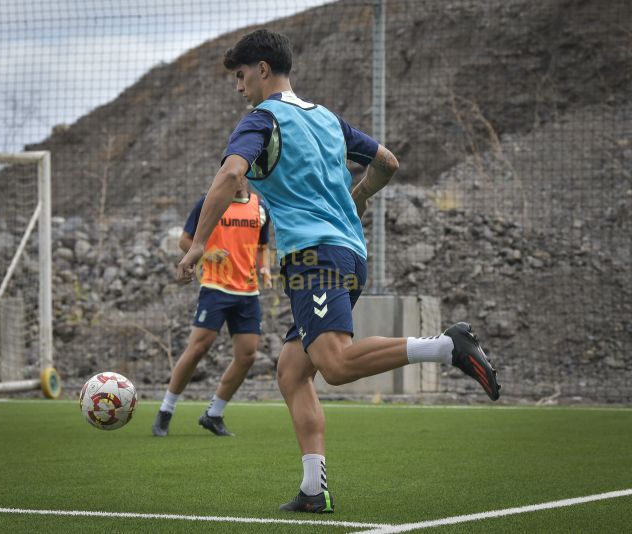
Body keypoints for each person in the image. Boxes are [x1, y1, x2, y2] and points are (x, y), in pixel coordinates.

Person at [176, 29, 500, 512]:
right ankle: (313, 489)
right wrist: (359, 196)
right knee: (291, 371)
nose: (239, 88)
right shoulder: (327, 118)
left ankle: (447, 346)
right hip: (350, 253)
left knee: (336, 364)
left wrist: (198, 244)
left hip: (314, 256)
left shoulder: (261, 120)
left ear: (262, 70)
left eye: (241, 77)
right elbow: (387, 162)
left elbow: (229, 175)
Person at [153, 176, 272, 437]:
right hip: (216, 288)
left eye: (241, 172)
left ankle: (214, 414)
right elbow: (185, 241)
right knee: (198, 348)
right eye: (231, 172)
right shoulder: (209, 203)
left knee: (248, 355)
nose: (236, 177)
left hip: (248, 292)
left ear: (247, 176)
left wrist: (264, 267)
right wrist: (208, 253)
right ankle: (165, 410)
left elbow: (262, 246)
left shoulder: (261, 207)